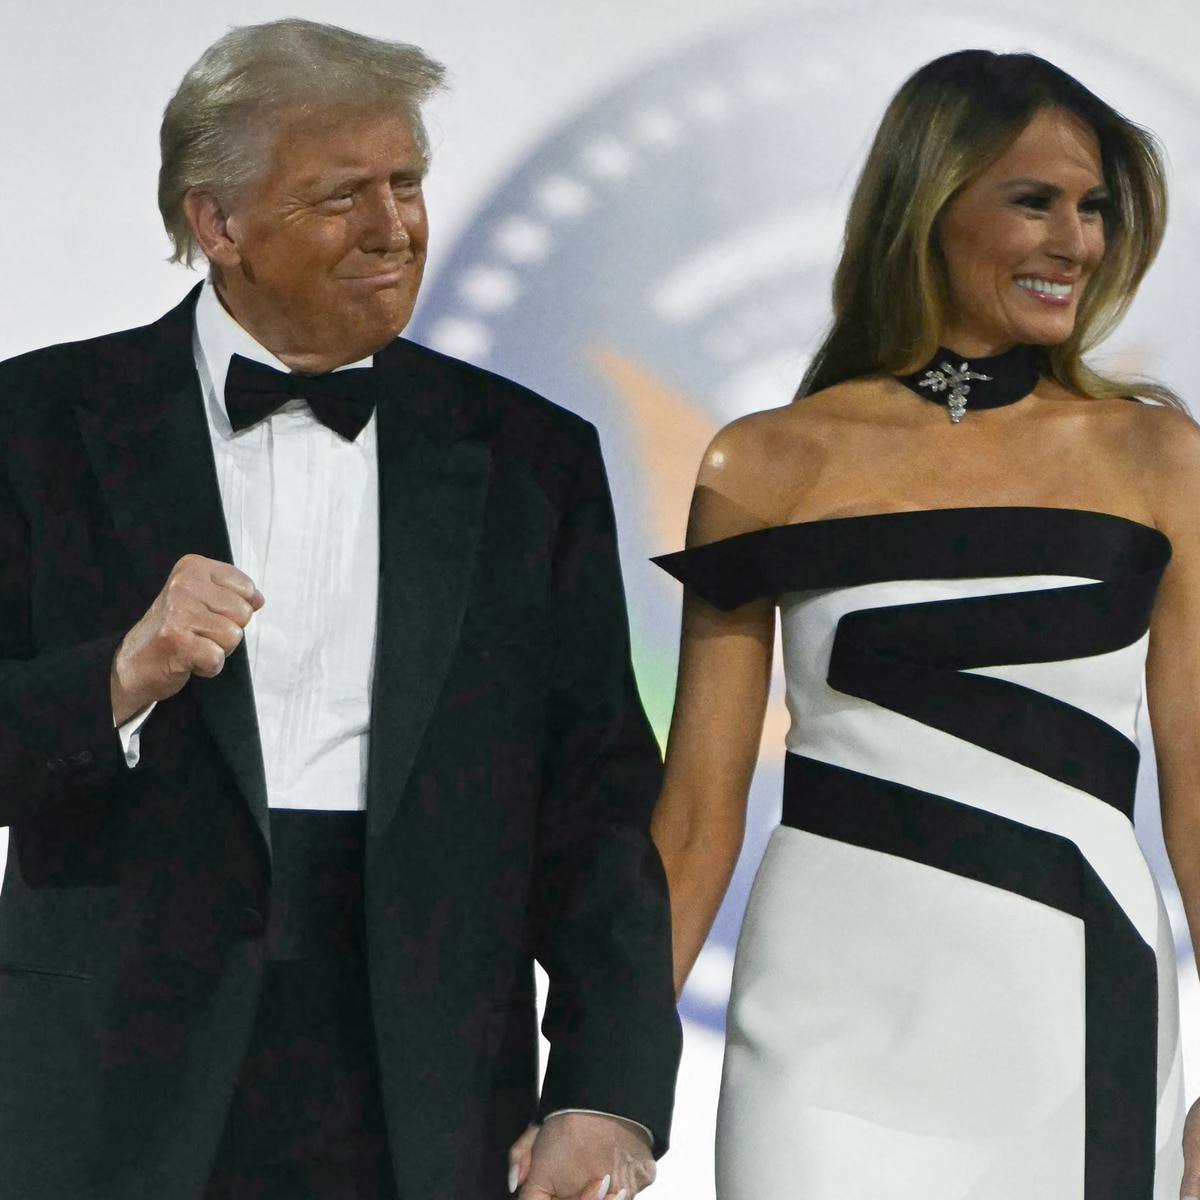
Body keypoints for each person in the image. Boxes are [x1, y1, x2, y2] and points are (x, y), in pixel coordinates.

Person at [0, 18, 680, 1200]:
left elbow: (599, 801)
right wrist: (119, 677)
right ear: (215, 222)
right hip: (111, 1074)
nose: (393, 229)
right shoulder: (39, 421)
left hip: (423, 1077)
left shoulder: (532, 458)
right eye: (339, 197)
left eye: (407, 184)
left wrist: (604, 1084)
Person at [651, 49, 1200, 1199]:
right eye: (1035, 201)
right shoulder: (764, 459)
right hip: (823, 1021)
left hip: (1077, 1006)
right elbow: (700, 814)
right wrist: (602, 1078)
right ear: (930, 203)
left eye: (1093, 208)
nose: (1077, 242)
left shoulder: (1160, 460)